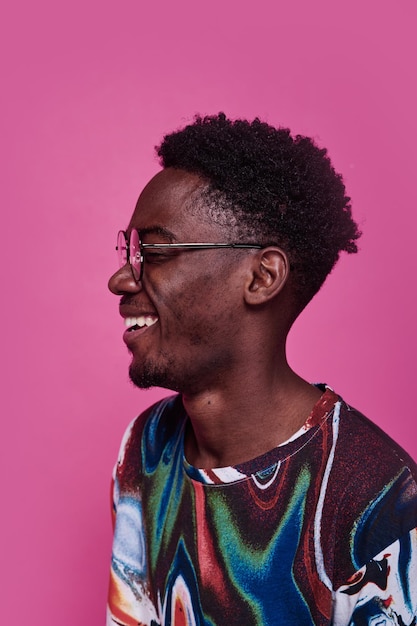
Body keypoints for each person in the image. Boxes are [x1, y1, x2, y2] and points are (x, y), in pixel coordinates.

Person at [106, 113, 417, 626]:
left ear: (261, 276)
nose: (121, 279)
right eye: (131, 250)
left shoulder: (376, 500)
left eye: (156, 251)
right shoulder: (145, 446)